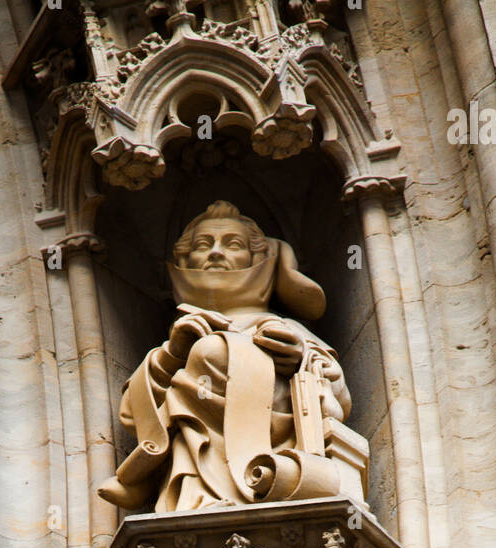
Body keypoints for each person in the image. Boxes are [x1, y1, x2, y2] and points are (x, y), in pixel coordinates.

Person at [97, 202, 351, 513]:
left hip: (270, 458)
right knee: (200, 361)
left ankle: (138, 476)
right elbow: (130, 415)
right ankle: (172, 486)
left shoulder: (286, 328)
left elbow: (339, 401)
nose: (216, 253)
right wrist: (172, 354)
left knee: (209, 354)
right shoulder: (180, 336)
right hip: (194, 471)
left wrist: (300, 361)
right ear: (184, 260)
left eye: (233, 244)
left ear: (258, 259)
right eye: (204, 245)